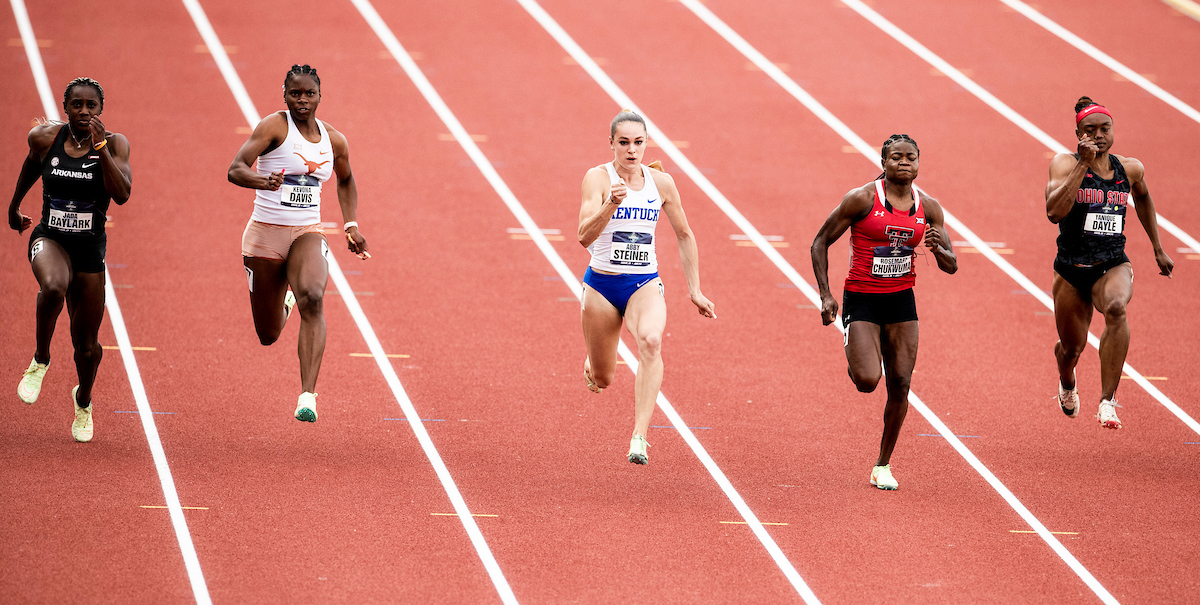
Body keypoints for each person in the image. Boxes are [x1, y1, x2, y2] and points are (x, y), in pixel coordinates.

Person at [811, 134, 957, 490]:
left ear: (919, 163)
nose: (903, 162)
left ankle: (883, 465)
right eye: (896, 157)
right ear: (883, 163)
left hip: (901, 299)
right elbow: (819, 242)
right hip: (862, 297)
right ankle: (857, 348)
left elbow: (952, 265)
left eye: (910, 157)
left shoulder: (930, 208)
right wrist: (827, 295)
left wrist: (939, 251)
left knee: (901, 383)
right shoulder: (861, 199)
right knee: (867, 380)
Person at [228, 64, 368, 423]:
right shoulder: (274, 127)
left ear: (320, 96)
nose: (302, 101)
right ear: (284, 95)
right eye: (295, 94)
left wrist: (351, 225)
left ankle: (307, 395)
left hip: (307, 231)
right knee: (268, 333)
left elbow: (346, 179)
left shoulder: (334, 139)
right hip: (265, 235)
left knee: (315, 297)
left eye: (309, 94)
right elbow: (236, 168)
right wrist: (263, 182)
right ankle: (286, 300)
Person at [578, 110, 715, 465]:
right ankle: (593, 363)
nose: (631, 150)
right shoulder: (598, 178)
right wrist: (612, 203)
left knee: (651, 341)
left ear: (645, 144)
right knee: (603, 378)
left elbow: (685, 235)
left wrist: (695, 291)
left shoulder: (662, 184)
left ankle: (639, 436)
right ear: (611, 143)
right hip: (602, 285)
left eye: (638, 143)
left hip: (643, 282)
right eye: (623, 143)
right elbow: (583, 237)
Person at [8, 77, 132, 442]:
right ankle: (40, 360)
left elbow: (122, 194)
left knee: (87, 347)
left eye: (90, 106)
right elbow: (32, 164)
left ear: (100, 110)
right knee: (53, 285)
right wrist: (14, 207)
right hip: (51, 237)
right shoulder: (46, 138)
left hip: (90, 249)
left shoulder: (116, 143)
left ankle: (84, 400)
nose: (83, 111)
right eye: (76, 105)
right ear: (66, 108)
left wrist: (102, 148)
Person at [1045, 97, 1173, 429]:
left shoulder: (1129, 168)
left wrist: (1158, 248)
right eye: (1091, 130)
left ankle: (1107, 401)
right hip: (1072, 269)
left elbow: (1143, 196)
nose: (1099, 135)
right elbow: (1054, 212)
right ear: (1078, 133)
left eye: (1105, 128)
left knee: (1117, 308)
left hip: (1112, 262)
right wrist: (1081, 166)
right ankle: (1067, 381)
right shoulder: (1063, 163)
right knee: (1071, 349)